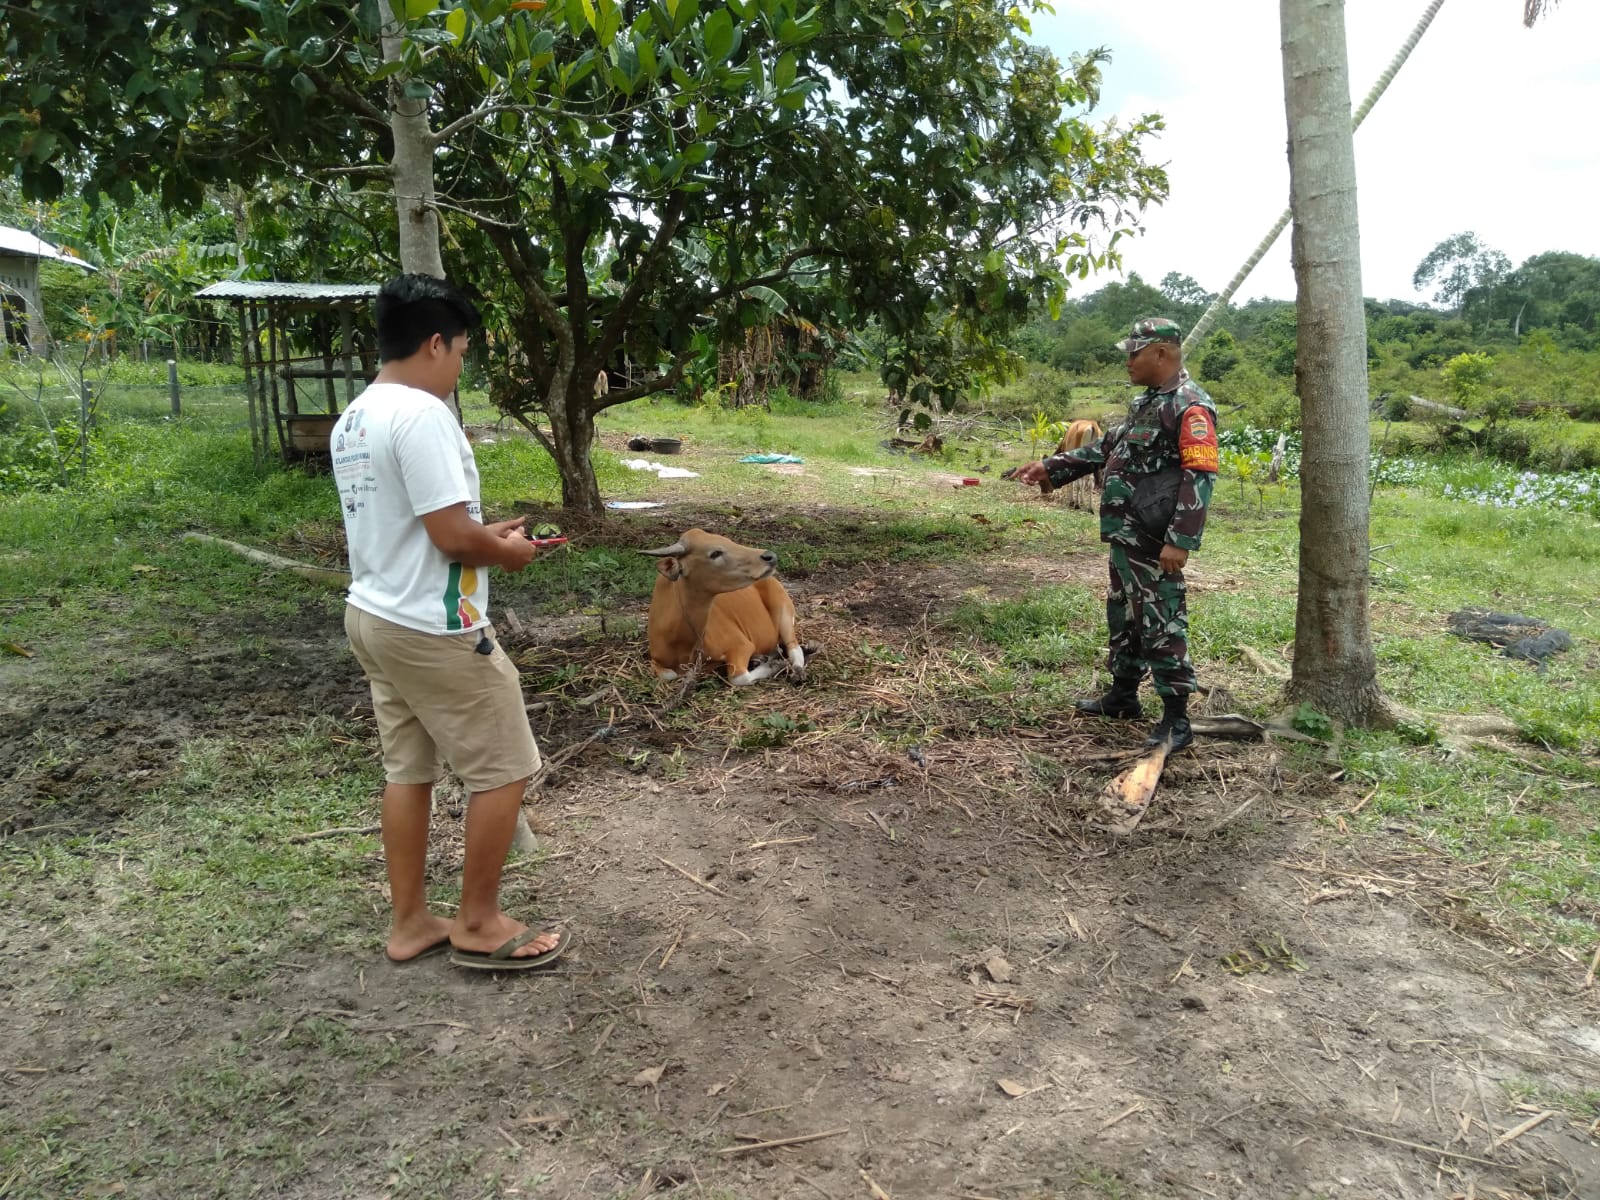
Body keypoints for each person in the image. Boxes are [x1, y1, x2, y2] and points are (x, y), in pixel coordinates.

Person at [333, 273, 569, 970]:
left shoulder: (358, 416)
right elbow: (453, 540)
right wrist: (508, 552)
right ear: (436, 344)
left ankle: (410, 921)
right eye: (462, 351)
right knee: (505, 767)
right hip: (432, 629)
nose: (461, 365)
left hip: (373, 613)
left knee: (408, 771)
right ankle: (481, 922)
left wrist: (482, 534)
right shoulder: (424, 414)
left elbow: (422, 524)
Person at [1013, 317, 1219, 751]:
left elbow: (1199, 476)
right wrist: (1050, 467)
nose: (1127, 361)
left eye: (1134, 353)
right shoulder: (1145, 403)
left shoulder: (1189, 406)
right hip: (1126, 535)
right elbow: (1106, 449)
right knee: (1124, 616)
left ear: (1161, 353)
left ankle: (1177, 719)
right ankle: (1123, 695)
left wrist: (1180, 540)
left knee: (1162, 621)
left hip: (1154, 540)